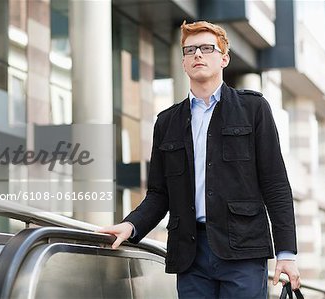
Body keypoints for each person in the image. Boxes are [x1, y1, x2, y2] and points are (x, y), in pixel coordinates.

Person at [99, 20, 300, 298]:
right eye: (190, 50)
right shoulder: (166, 122)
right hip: (190, 254)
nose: (197, 55)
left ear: (224, 58)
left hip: (242, 249)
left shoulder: (254, 109)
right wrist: (131, 225)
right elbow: (159, 194)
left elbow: (275, 184)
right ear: (183, 62)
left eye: (207, 48)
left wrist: (286, 253)